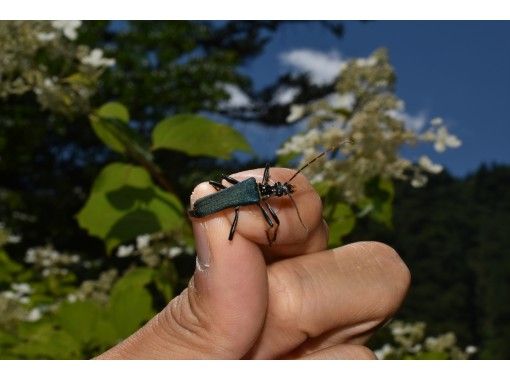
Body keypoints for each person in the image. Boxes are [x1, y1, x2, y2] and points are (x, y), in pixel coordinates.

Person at [97, 167, 410, 359]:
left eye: (279, 192)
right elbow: (267, 218)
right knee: (260, 223)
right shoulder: (254, 194)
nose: (279, 192)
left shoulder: (256, 194)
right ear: (271, 192)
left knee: (265, 223)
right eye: (278, 191)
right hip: (213, 208)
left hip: (223, 204)